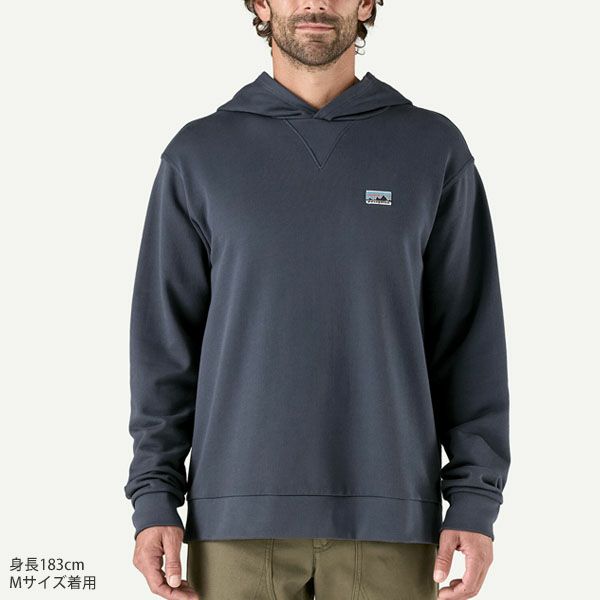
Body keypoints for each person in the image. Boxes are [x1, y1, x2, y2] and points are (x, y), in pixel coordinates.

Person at [124, 1, 511, 598]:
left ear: (366, 4)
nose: (315, 3)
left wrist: (474, 499)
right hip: (233, 522)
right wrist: (154, 496)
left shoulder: (433, 148)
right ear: (260, 4)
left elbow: (468, 340)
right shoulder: (198, 154)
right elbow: (164, 348)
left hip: (393, 524)